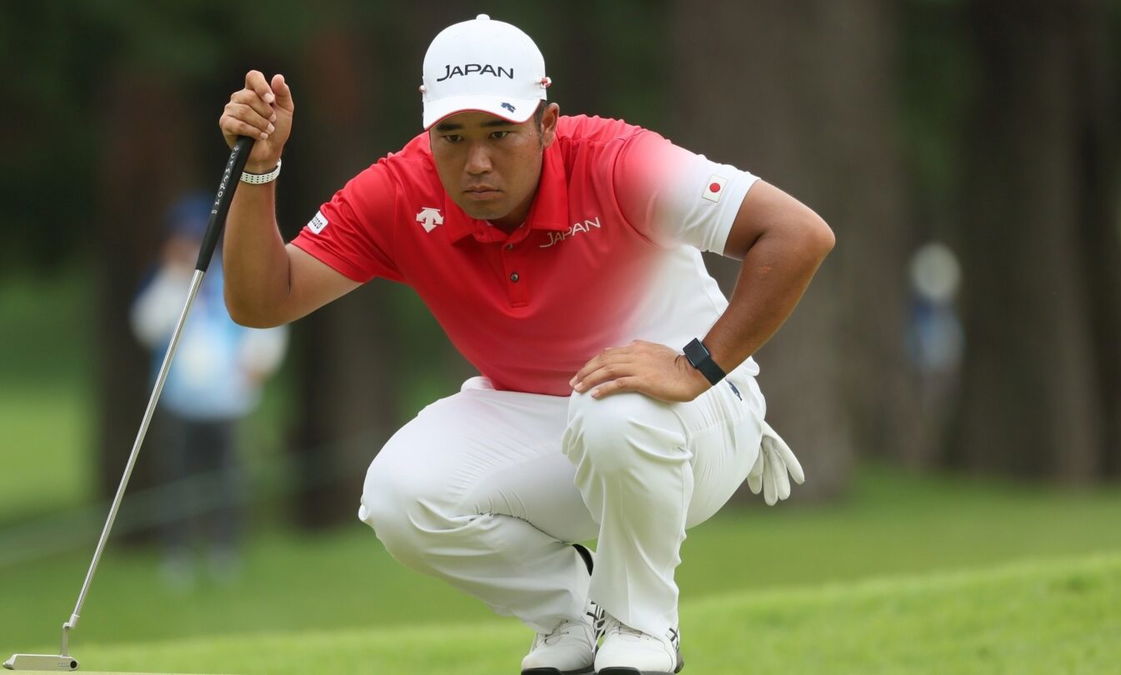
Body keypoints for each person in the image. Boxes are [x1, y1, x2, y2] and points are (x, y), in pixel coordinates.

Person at [218, 14, 833, 675]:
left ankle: (642, 630)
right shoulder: (402, 190)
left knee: (617, 411)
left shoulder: (619, 162)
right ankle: (570, 614)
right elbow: (262, 300)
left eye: (499, 134)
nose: (475, 161)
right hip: (548, 414)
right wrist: (259, 171)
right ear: (429, 131)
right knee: (401, 494)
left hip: (697, 415)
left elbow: (798, 234)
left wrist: (696, 365)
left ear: (546, 124)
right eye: (452, 137)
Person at [131, 194, 288, 587]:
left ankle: (225, 550)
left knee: (228, 481)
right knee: (177, 482)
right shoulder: (165, 282)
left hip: (228, 400)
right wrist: (172, 277)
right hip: (180, 402)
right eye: (183, 237)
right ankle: (177, 554)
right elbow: (147, 327)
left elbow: (265, 321)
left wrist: (259, 365)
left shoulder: (234, 272)